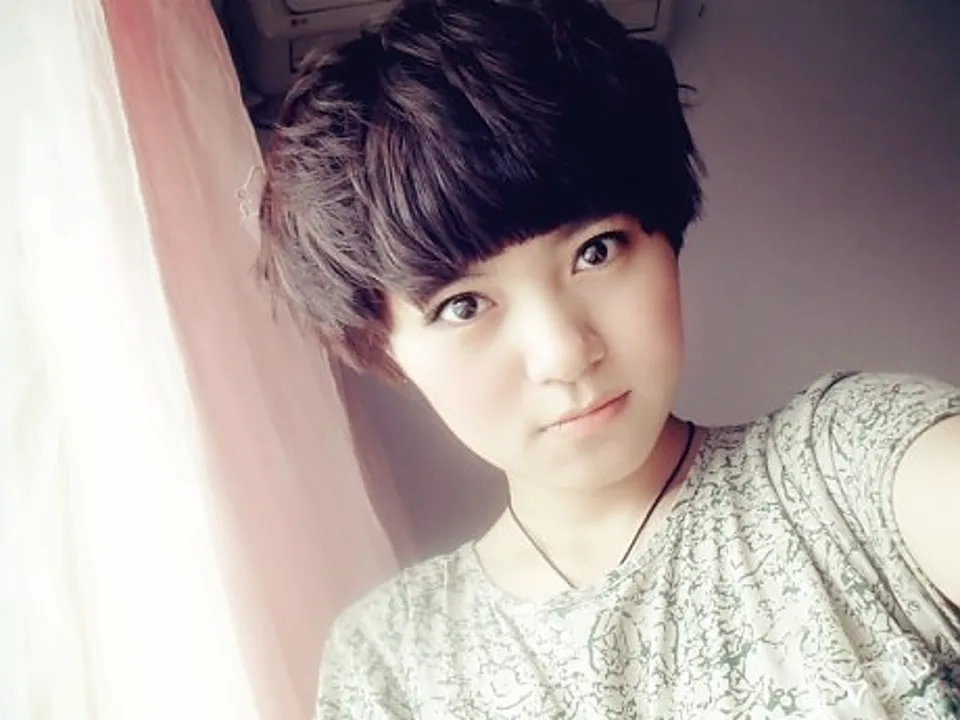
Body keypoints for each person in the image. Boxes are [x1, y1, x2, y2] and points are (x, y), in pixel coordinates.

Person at [256, 0, 960, 716]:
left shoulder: (847, 474)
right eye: (464, 305)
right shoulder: (390, 664)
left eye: (596, 251)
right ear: (385, 347)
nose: (564, 353)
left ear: (664, 237)